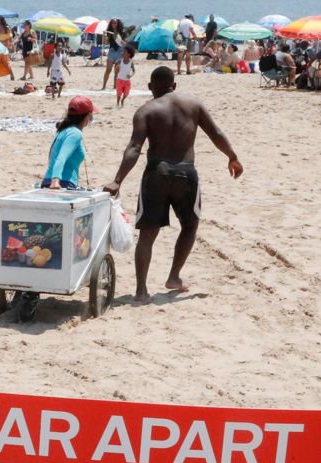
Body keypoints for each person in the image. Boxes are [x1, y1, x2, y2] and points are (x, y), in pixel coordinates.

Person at [103, 66, 242, 302]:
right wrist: (232, 156)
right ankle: (174, 277)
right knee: (189, 226)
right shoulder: (193, 104)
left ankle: (141, 291)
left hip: (156, 173)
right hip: (186, 173)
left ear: (150, 87)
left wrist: (118, 180)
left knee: (147, 235)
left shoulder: (146, 110)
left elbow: (134, 148)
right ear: (174, 85)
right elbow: (216, 133)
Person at [42, 96, 94, 189]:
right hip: (62, 184)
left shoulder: (62, 130)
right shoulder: (75, 133)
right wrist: (55, 180)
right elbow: (61, 157)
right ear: (88, 115)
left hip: (48, 180)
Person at [100, 19, 125, 89]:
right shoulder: (109, 33)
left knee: (116, 71)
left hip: (120, 53)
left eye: (115, 23)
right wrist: (105, 37)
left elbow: (124, 43)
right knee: (108, 69)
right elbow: (106, 43)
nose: (114, 24)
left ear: (118, 24)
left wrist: (118, 38)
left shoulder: (122, 33)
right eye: (112, 23)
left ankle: (115, 86)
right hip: (111, 52)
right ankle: (104, 86)